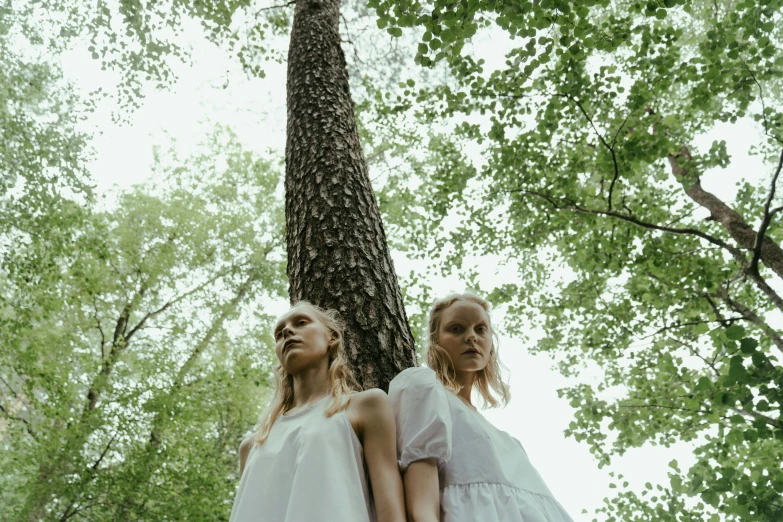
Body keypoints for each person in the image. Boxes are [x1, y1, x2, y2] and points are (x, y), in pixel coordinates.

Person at [389, 293, 573, 522]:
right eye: (456, 329)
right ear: (437, 342)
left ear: (491, 345)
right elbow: (421, 508)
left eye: (480, 329)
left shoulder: (511, 443)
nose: (471, 337)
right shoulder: (423, 388)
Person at [230, 301, 405, 522]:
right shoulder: (252, 446)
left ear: (331, 337)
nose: (287, 331)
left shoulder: (366, 406)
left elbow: (390, 511)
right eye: (279, 334)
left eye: (301, 322)